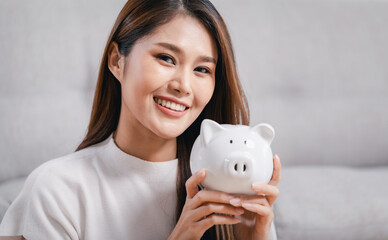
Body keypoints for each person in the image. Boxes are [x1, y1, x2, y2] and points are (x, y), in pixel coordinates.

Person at [0, 0, 281, 239]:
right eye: (166, 58)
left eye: (202, 69)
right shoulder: (56, 190)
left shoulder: (231, 190)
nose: (183, 85)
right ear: (116, 61)